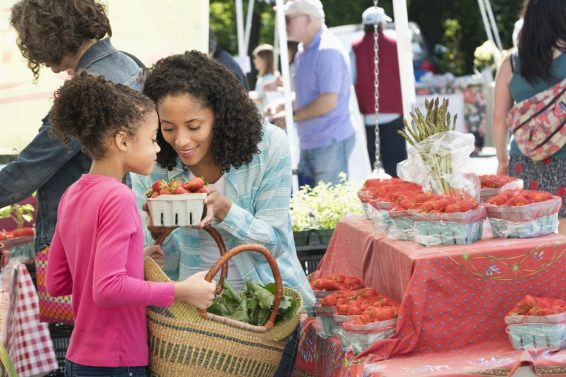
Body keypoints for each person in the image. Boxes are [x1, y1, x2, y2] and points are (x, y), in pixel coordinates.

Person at [133, 51, 315, 376]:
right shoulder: (152, 157)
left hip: (265, 315)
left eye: (194, 126)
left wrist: (226, 211)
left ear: (220, 114)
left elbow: (275, 242)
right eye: (168, 127)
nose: (181, 141)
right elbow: (144, 256)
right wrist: (154, 232)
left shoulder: (269, 146)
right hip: (186, 320)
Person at [46, 72, 216, 377]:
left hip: (78, 359)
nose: (158, 149)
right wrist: (182, 290)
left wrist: (133, 263)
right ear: (123, 140)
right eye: (152, 139)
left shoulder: (73, 193)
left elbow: (57, 282)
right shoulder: (119, 197)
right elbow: (108, 289)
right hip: (118, 360)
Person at [0, 0, 144, 255]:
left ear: (48, 34)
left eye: (29, 39)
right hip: (112, 227)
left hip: (80, 241)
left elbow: (31, 168)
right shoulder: (128, 65)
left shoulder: (89, 89)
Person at [492, 0, 566, 235]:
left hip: (524, 160)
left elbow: (498, 116)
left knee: (528, 238)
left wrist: (502, 161)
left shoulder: (511, 62)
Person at [273, 0, 355, 185]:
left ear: (308, 19)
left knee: (330, 207)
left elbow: (327, 101)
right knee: (312, 207)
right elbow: (310, 96)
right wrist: (285, 104)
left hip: (328, 142)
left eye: (288, 19)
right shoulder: (304, 50)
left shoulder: (327, 51)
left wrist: (291, 116)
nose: (284, 25)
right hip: (314, 141)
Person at [351, 6, 407, 176]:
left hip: (369, 115)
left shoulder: (354, 48)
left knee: (372, 166)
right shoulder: (396, 44)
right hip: (394, 111)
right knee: (396, 163)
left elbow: (352, 80)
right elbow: (405, 77)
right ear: (382, 24)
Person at [250, 44, 281, 114]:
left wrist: (249, 97)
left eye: (256, 58)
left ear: (264, 60)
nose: (254, 61)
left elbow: (270, 100)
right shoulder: (263, 78)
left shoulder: (269, 78)